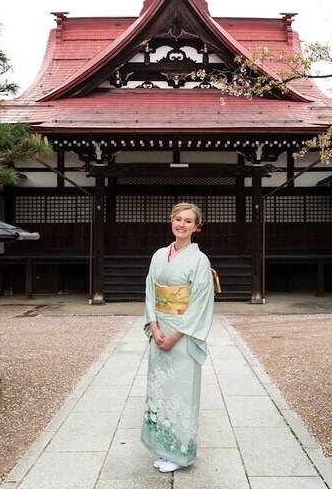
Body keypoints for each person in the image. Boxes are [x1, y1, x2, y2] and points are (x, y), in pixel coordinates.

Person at [140, 202, 215, 473]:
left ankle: (180, 453)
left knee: (181, 392)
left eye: (188, 221)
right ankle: (162, 447)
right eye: (178, 219)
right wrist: (154, 326)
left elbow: (200, 302)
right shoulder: (159, 255)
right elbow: (150, 290)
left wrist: (174, 336)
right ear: (171, 221)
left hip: (182, 333)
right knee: (160, 390)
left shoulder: (200, 260)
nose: (182, 224)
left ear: (197, 227)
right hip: (159, 328)